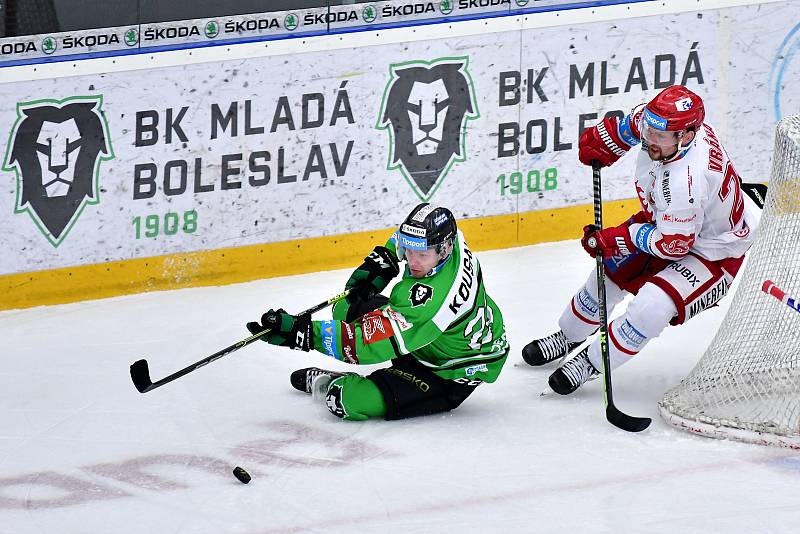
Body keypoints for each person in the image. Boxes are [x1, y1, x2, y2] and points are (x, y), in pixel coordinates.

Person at [522, 85, 759, 395]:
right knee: (606, 277)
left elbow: (674, 245)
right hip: (671, 224)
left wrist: (619, 237)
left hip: (713, 253)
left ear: (686, 135)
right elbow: (635, 125)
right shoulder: (666, 126)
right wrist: (608, 140)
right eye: (650, 129)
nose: (649, 140)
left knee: (651, 307)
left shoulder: (685, 183)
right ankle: (569, 336)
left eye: (659, 136)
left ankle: (592, 363)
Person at [247, 203, 509, 420]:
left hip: (448, 372)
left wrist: (304, 334)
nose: (413, 260)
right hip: (430, 338)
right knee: (345, 307)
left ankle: (333, 380)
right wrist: (384, 260)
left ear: (443, 249)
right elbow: (401, 240)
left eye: (422, 255)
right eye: (409, 251)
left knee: (343, 400)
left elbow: (363, 346)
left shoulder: (432, 299)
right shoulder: (453, 242)